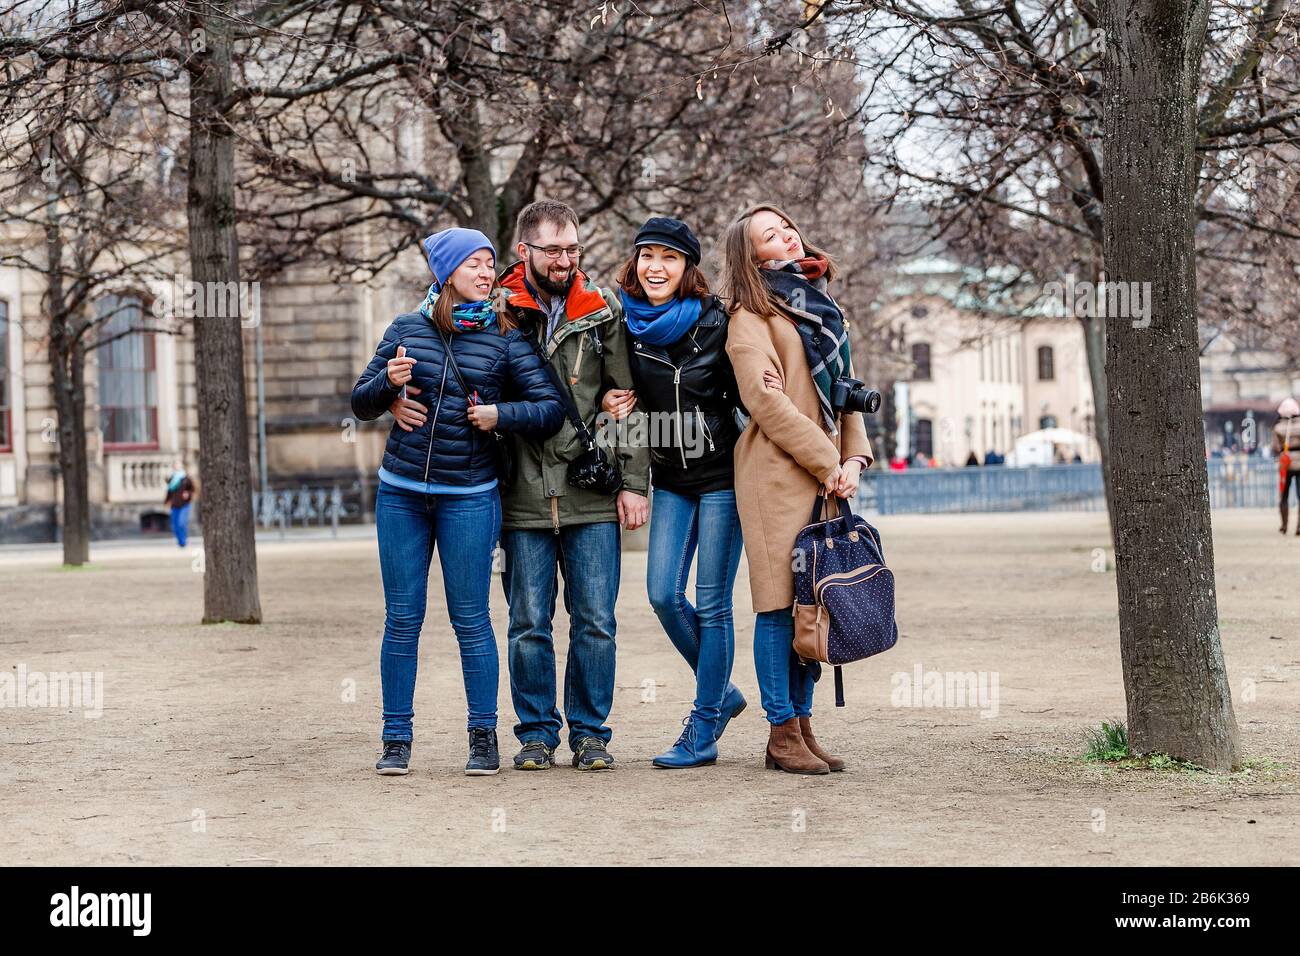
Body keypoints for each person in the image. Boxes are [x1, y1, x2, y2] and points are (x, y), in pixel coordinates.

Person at [355, 227, 564, 777]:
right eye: (473, 263)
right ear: (446, 272)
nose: (485, 272)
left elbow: (549, 408)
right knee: (402, 618)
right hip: (401, 492)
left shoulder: (505, 337)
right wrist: (388, 387)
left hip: (470, 496)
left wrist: (500, 415)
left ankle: (483, 736)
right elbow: (360, 402)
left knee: (471, 619)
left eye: (489, 263)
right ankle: (396, 739)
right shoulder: (405, 328)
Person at [492, 200, 650, 772]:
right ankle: (535, 734)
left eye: (572, 249)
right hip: (521, 493)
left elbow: (627, 400)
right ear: (524, 251)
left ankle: (590, 734)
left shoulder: (602, 308)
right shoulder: (495, 310)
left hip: (591, 488)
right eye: (553, 249)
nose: (564, 260)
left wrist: (633, 482)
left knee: (596, 621)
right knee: (528, 622)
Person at [722, 203, 873, 775]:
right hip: (776, 475)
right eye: (769, 234)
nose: (785, 235)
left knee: (816, 602)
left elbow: (848, 392)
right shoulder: (748, 317)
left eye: (785, 226)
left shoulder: (825, 308)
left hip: (829, 474)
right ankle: (780, 728)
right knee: (777, 605)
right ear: (751, 254)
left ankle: (804, 724)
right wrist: (825, 459)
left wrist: (853, 458)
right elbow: (766, 402)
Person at [598, 217, 747, 769]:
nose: (655, 267)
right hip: (670, 478)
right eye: (647, 256)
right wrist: (611, 409)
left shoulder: (719, 321)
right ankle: (723, 690)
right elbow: (618, 400)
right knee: (663, 594)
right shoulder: (622, 323)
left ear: (688, 268)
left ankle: (703, 726)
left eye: (669, 257)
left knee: (712, 604)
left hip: (724, 477)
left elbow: (747, 390)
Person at [1273, 397, 1300, 535]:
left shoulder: (1278, 427)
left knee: (1284, 495)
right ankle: (1299, 526)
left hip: (1286, 465)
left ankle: (1284, 525)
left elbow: (1275, 448)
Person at [163, 460, 196, 548]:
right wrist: (166, 502)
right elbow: (169, 492)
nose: (176, 467)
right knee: (175, 524)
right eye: (175, 465)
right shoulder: (172, 479)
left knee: (182, 523)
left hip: (184, 504)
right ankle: (179, 541)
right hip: (174, 504)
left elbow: (193, 489)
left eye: (178, 465)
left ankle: (183, 541)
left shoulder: (186, 478)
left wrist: (187, 494)